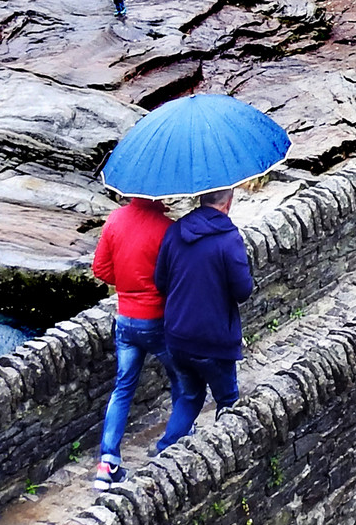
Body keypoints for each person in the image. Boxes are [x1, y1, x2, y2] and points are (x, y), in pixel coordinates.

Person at [153, 187, 253, 452]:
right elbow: (243, 291)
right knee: (228, 399)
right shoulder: (229, 238)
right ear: (228, 203)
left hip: (177, 335)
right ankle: (228, 456)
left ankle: (165, 450)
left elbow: (160, 281)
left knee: (189, 397)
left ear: (201, 198)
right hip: (214, 339)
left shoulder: (175, 231)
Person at [90, 196, 176, 490]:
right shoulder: (167, 229)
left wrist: (128, 286)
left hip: (125, 320)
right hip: (157, 321)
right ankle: (180, 439)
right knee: (182, 379)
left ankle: (107, 462)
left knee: (123, 387)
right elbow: (174, 279)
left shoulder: (115, 220)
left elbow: (100, 268)